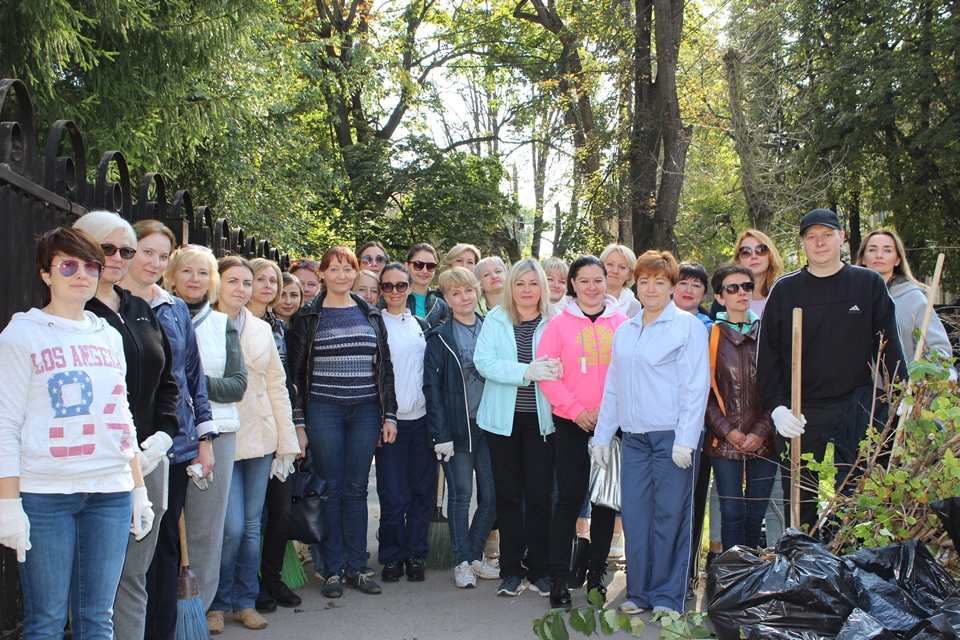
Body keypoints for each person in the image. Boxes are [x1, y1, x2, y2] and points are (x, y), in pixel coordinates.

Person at [0, 227, 153, 639]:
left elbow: (121, 414)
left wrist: (137, 486)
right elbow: (5, 424)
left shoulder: (109, 335)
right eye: (68, 264)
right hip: (45, 494)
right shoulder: (21, 335)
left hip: (111, 492)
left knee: (97, 618)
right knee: (47, 621)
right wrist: (7, 502)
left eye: (90, 265)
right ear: (46, 274)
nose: (81, 274)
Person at [757, 209, 905, 531]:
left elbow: (889, 343)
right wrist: (778, 408)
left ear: (841, 238)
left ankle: (850, 561)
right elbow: (767, 358)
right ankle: (801, 562)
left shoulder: (867, 284)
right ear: (803, 243)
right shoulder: (786, 290)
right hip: (800, 408)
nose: (819, 242)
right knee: (799, 498)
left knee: (856, 492)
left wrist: (900, 392)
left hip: (855, 405)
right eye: (811, 237)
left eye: (827, 235)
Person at [73, 211, 180, 640]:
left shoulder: (140, 309)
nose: (118, 258)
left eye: (127, 251)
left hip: (150, 459)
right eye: (108, 248)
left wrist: (166, 434)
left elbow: (169, 381)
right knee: (93, 582)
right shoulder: (73, 312)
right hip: (97, 464)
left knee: (135, 574)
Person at [592, 250, 710, 615]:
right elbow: (614, 386)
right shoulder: (626, 329)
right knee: (637, 517)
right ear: (636, 284)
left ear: (673, 286)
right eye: (644, 281)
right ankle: (638, 593)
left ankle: (667, 596)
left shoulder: (686, 326)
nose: (651, 288)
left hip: (672, 438)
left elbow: (695, 387)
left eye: (660, 282)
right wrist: (600, 436)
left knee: (671, 516)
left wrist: (686, 441)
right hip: (635, 439)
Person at [119, 221, 217, 640]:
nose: (155, 263)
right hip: (122, 448)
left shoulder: (174, 308)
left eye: (162, 255)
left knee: (164, 547)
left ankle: (163, 631)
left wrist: (204, 439)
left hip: (173, 446)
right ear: (125, 253)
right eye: (146, 252)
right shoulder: (103, 308)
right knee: (126, 556)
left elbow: (192, 378)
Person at [287, 246, 398, 599]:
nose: (340, 275)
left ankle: (358, 567)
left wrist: (389, 414)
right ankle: (331, 569)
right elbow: (295, 376)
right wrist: (300, 422)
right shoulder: (308, 316)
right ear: (322, 274)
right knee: (332, 489)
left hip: (365, 410)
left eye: (346, 269)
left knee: (356, 490)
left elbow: (385, 369)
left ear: (355, 273)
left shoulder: (371, 314)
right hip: (324, 411)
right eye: (333, 269)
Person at [209, 256, 300, 632]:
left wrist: (287, 439)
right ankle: (216, 601)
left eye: (247, 283)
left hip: (261, 435)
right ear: (218, 284)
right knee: (227, 528)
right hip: (221, 433)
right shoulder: (201, 324)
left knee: (250, 526)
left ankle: (244, 601)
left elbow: (277, 386)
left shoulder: (263, 329)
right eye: (234, 282)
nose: (242, 290)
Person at [165, 245, 249, 623]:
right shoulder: (155, 314)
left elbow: (236, 385)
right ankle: (162, 609)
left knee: (207, 530)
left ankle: (196, 611)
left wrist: (189, 386)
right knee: (163, 528)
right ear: (172, 275)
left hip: (217, 434)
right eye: (187, 271)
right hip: (167, 435)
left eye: (203, 273)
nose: (195, 280)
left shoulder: (220, 323)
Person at [537, 255, 628, 607]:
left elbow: (629, 374)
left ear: (608, 283)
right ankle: (559, 579)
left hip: (613, 425)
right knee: (570, 499)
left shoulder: (623, 324)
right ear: (573, 284)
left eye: (598, 280)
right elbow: (548, 375)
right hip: (572, 423)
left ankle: (595, 579)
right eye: (584, 281)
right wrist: (577, 412)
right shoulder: (557, 326)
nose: (592, 287)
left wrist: (607, 414)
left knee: (604, 503)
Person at [474, 259, 560, 598]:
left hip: (543, 422)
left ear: (542, 286)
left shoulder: (555, 321)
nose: (527, 290)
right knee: (507, 497)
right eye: (520, 284)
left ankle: (540, 570)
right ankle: (511, 570)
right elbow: (484, 363)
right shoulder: (496, 319)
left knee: (540, 498)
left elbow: (560, 364)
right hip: (502, 423)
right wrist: (527, 371)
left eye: (533, 283)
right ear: (511, 287)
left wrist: (549, 369)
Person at [424, 267, 500, 588]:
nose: (463, 297)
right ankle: (462, 562)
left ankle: (473, 553)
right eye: (455, 293)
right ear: (446, 299)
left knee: (494, 496)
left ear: (477, 292)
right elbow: (432, 388)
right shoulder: (440, 337)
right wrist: (440, 435)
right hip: (457, 428)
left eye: (468, 290)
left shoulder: (491, 328)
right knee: (460, 495)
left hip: (490, 425)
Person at [247, 258, 306, 612]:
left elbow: (287, 386)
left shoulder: (278, 328)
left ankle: (271, 578)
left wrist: (295, 427)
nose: (269, 286)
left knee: (281, 511)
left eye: (274, 281)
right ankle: (246, 584)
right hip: (246, 432)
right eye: (261, 279)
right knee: (249, 518)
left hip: (278, 429)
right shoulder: (230, 322)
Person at [705, 264, 777, 551]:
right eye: (732, 288)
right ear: (720, 297)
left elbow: (780, 387)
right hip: (724, 441)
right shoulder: (710, 336)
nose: (741, 293)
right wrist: (727, 431)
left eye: (746, 286)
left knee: (755, 514)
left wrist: (761, 430)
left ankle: (751, 578)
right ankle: (733, 580)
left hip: (764, 439)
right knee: (732, 513)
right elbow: (702, 393)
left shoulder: (769, 334)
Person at [375, 264, 435, 583]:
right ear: (381, 290)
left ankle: (416, 552)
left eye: (401, 286)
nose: (395, 292)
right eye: (388, 287)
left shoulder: (420, 325)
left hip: (422, 420)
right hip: (392, 423)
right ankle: (392, 555)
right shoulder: (376, 325)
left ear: (410, 287)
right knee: (393, 492)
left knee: (422, 492)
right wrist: (384, 415)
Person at [856, 229, 954, 363]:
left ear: (897, 260)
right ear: (862, 258)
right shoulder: (847, 297)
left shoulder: (914, 299)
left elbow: (938, 349)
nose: (879, 255)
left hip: (900, 382)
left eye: (887, 250)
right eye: (872, 250)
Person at [710, 229, 784, 319]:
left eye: (761, 250)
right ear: (738, 259)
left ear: (771, 255)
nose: (754, 256)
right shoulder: (724, 299)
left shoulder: (784, 294)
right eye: (745, 252)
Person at [404, 243, 449, 327]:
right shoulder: (395, 297)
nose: (425, 271)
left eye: (430, 266)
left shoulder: (441, 305)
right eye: (418, 265)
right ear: (406, 266)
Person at [600, 244, 642, 318]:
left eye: (622, 267)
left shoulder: (632, 305)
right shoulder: (585, 295)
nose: (615, 271)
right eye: (610, 264)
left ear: (629, 274)